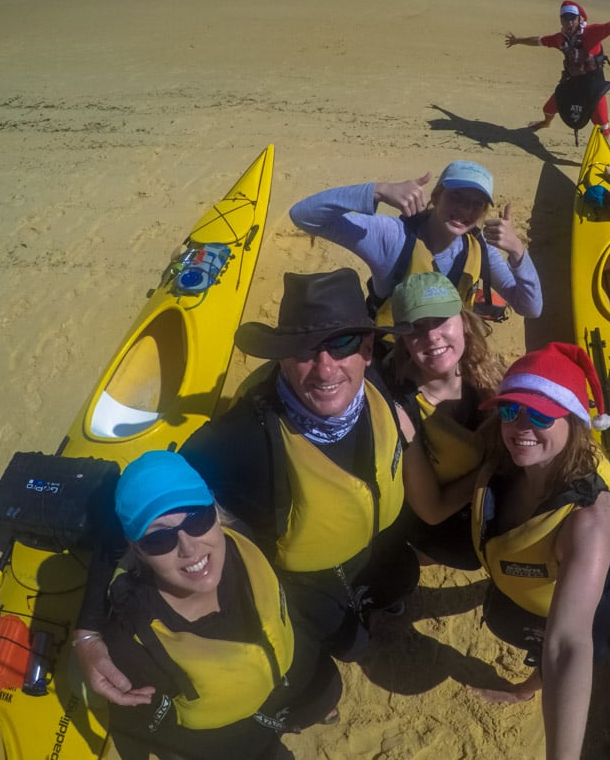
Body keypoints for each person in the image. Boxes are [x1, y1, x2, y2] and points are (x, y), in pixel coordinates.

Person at [75, 269, 419, 713]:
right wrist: (87, 629)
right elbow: (130, 506)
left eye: (343, 344)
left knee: (403, 575)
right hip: (304, 576)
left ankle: (369, 604)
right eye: (303, 350)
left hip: (368, 542)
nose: (326, 368)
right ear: (281, 359)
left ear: (368, 350)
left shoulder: (377, 386)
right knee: (349, 649)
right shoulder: (241, 437)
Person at [470, 343, 610, 760]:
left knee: (547, 653)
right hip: (535, 584)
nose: (520, 427)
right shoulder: (507, 461)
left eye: (540, 415)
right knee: (510, 620)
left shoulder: (589, 521)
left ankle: (524, 690)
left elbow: (569, 644)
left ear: (573, 423)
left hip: (604, 609)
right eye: (510, 411)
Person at [100, 451, 324, 760]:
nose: (189, 548)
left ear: (216, 513)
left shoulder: (241, 541)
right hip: (225, 745)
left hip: (279, 691)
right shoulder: (131, 642)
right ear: (137, 549)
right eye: (159, 539)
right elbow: (138, 725)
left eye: (198, 519)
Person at [288, 160, 542, 328]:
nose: (466, 209)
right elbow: (304, 215)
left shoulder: (478, 248)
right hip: (395, 360)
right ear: (436, 196)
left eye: (477, 204)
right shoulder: (394, 238)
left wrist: (518, 252)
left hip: (448, 355)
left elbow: (530, 307)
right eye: (457, 197)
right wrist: (378, 190)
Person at [386, 271, 505, 569]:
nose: (432, 336)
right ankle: (415, 557)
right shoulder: (402, 409)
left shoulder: (483, 368)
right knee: (464, 554)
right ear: (402, 338)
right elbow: (432, 510)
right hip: (438, 517)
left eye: (441, 320)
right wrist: (496, 466)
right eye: (416, 327)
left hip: (476, 491)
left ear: (463, 321)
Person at [504, 0, 610, 137]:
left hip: (593, 84)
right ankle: (546, 122)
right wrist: (518, 40)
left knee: (602, 125)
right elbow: (540, 41)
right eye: (565, 18)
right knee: (548, 109)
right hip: (572, 82)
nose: (569, 22)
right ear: (561, 20)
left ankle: (601, 151)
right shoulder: (560, 38)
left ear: (579, 19)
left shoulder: (591, 32)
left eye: (572, 18)